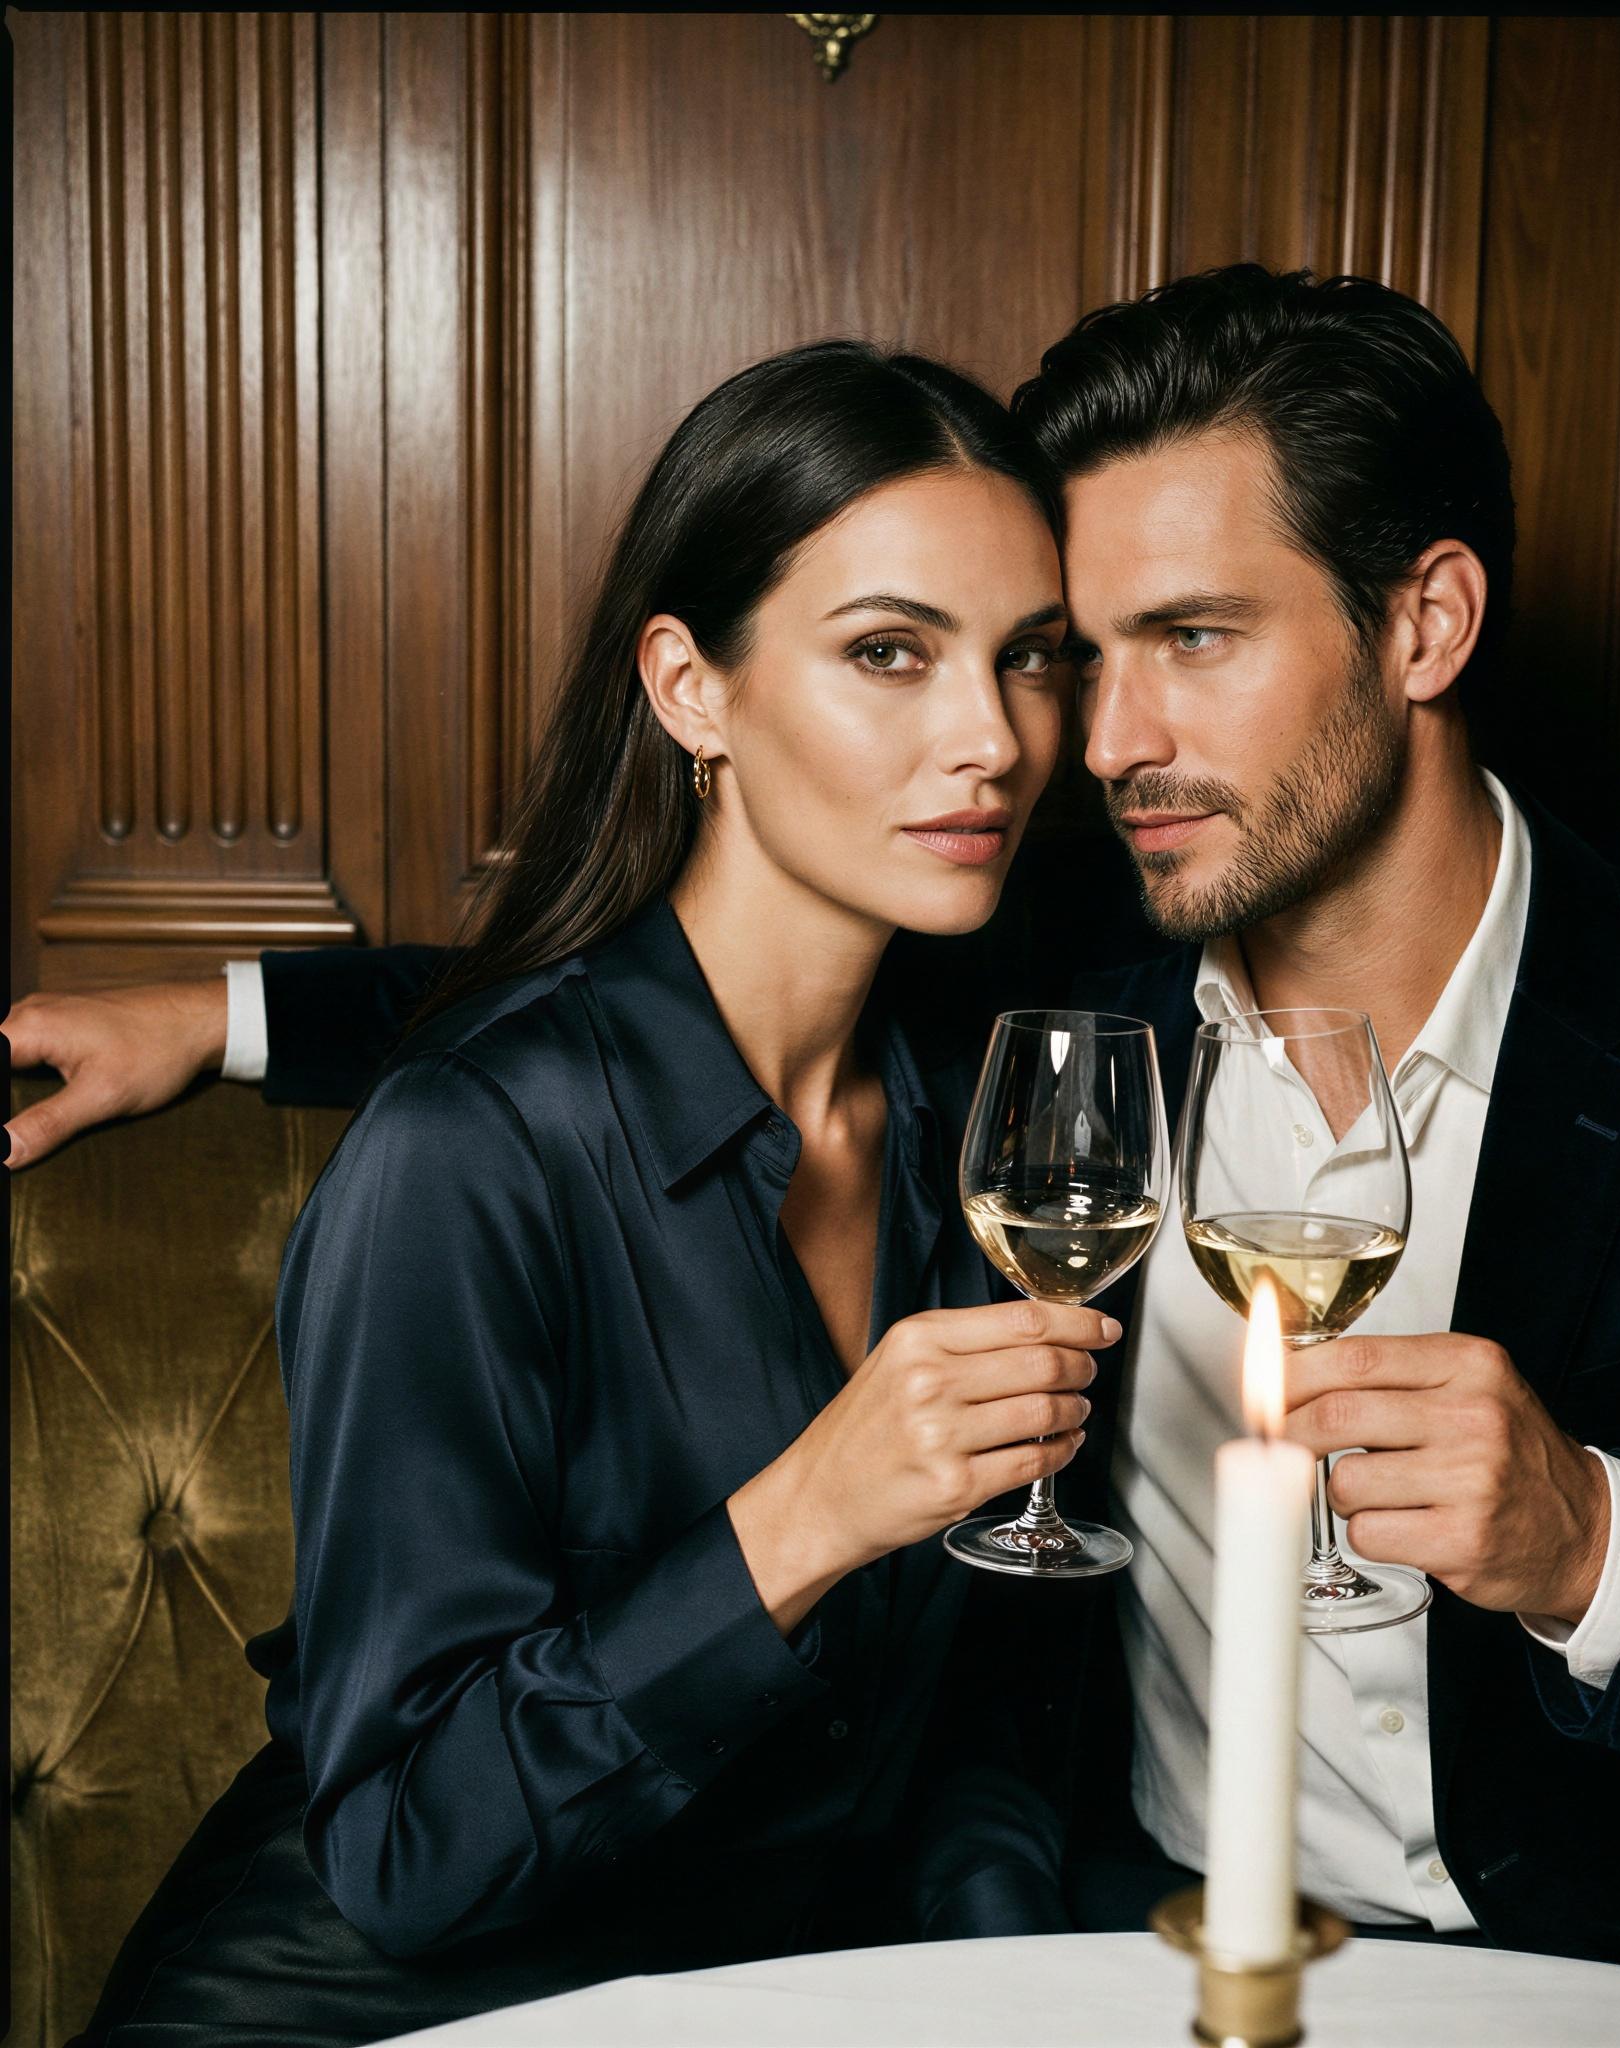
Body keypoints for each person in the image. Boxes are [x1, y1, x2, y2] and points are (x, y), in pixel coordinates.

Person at [13, 269, 1620, 2041]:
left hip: (1609, 1970)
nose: (1096, 735)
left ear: (1423, 621)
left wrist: (1597, 1546)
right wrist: (222, 1012)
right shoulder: (1046, 1004)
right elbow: (655, 970)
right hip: (1096, 1948)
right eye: (1085, 647)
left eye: (1192, 639)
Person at [56, 339, 1122, 2047]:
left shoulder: (993, 1132)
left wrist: (1035, 1989)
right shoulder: (469, 1154)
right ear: (692, 688)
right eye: (888, 655)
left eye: (1029, 661)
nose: (991, 738)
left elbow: (969, 1737)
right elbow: (406, 1854)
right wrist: (801, 1521)